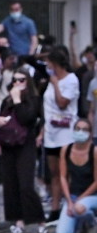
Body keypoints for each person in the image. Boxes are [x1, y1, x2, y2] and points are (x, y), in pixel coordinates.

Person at [0, 68, 47, 233]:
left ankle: (40, 220)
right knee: (11, 184)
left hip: (26, 145)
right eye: (15, 80)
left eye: (21, 80)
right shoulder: (6, 100)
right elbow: (0, 120)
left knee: (26, 184)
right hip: (9, 145)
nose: (17, 83)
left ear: (28, 81)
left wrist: (17, 100)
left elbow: (27, 118)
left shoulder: (33, 99)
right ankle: (18, 221)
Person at [40, 46, 80, 222]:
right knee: (54, 173)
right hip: (51, 133)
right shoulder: (50, 80)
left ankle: (69, 206)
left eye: (49, 64)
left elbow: (62, 103)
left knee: (66, 173)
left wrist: (56, 84)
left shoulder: (71, 80)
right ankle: (55, 208)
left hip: (66, 133)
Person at [56, 118, 97, 233]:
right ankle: (80, 223)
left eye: (84, 130)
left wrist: (79, 199)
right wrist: (69, 201)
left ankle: (91, 222)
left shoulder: (94, 151)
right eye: (78, 129)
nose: (80, 132)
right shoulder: (66, 149)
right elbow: (63, 176)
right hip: (73, 196)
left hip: (92, 196)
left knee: (79, 207)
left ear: (90, 133)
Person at [69, 23, 95, 118]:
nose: (90, 55)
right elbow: (73, 55)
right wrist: (71, 37)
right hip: (82, 104)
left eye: (92, 53)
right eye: (88, 53)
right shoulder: (80, 69)